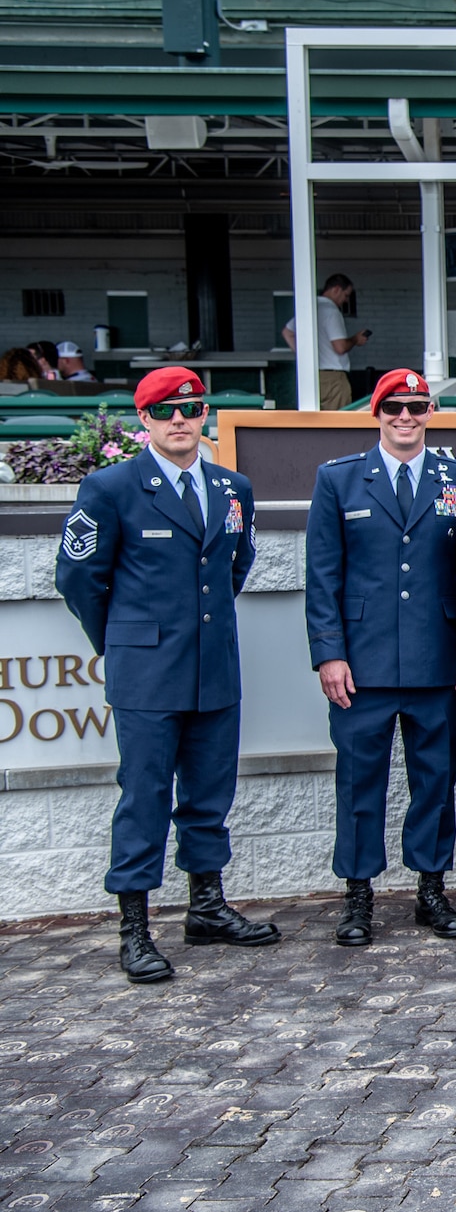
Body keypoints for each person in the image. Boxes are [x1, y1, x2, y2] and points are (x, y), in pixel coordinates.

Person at [54, 366, 279, 983]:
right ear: (143, 421)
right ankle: (135, 927)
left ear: (203, 415)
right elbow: (78, 579)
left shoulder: (233, 487)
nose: (179, 420)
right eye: (164, 412)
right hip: (147, 672)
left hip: (214, 667)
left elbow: (237, 565)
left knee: (209, 795)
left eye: (191, 409)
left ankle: (206, 907)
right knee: (146, 797)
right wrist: (120, 638)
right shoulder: (110, 487)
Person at [305, 369, 456, 947]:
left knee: (435, 781)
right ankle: (359, 896)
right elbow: (323, 576)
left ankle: (431, 890)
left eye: (415, 406)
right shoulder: (338, 480)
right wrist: (328, 655)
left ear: (430, 411)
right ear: (375, 412)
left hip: (439, 661)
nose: (405, 416)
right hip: (362, 664)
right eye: (393, 406)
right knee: (361, 782)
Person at [282, 273, 369, 410]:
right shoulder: (331, 311)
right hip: (333, 378)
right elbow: (340, 347)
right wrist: (355, 339)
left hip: (311, 375)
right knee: (338, 423)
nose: (346, 300)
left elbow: (287, 332)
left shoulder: (309, 309)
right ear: (336, 289)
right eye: (346, 295)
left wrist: (304, 357)